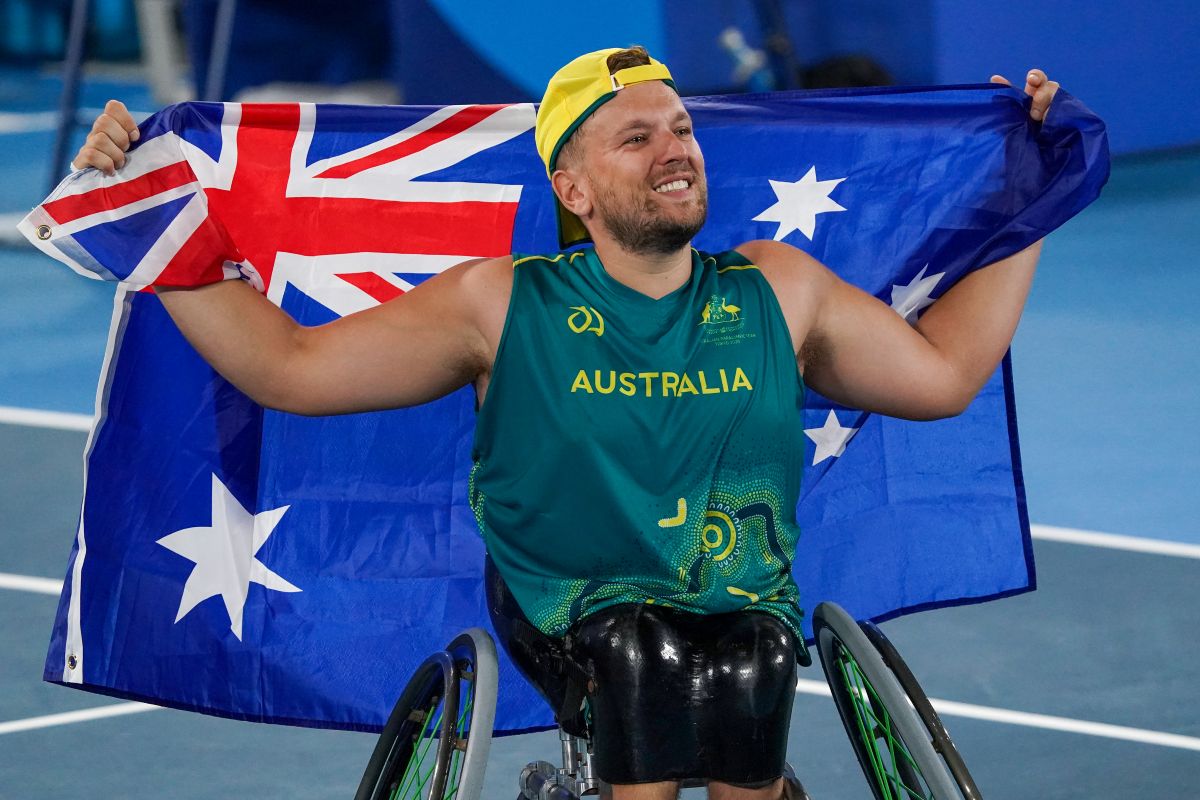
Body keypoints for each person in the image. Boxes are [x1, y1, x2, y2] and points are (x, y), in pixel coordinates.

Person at [74, 47, 1059, 800]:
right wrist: (144, 216)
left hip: (736, 595)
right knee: (644, 652)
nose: (675, 149)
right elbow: (290, 368)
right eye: (637, 138)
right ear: (573, 188)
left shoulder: (778, 289)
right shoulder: (502, 304)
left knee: (749, 654)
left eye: (681, 128)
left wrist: (1037, 190)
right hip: (566, 604)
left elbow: (942, 374)